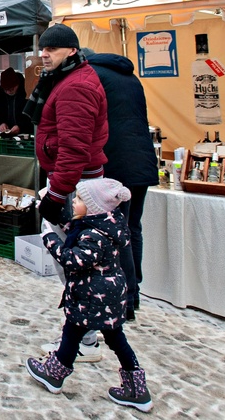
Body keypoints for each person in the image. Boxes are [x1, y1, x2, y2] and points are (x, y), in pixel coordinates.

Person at [26, 178, 153, 413]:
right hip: (108, 298)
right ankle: (137, 387)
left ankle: (54, 374)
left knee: (71, 333)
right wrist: (52, 213)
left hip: (92, 297)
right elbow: (75, 230)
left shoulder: (94, 235)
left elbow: (72, 259)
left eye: (81, 199)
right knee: (115, 339)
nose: (74, 201)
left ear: (94, 207)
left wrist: (49, 238)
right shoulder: (106, 225)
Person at [23, 23, 109, 362]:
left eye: (52, 49)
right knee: (73, 262)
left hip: (74, 184)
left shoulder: (76, 86)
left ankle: (85, 340)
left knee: (73, 263)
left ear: (71, 50)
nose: (43, 54)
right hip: (71, 180)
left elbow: (74, 148)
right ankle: (85, 336)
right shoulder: (67, 79)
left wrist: (57, 196)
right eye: (42, 48)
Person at [86, 52, 158, 316]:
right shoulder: (130, 77)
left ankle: (125, 298)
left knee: (119, 232)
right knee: (132, 227)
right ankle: (134, 289)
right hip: (142, 160)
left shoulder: (92, 75)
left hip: (117, 161)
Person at [0, 67, 33, 136]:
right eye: (6, 90)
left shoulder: (26, 91)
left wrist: (21, 126)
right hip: (6, 133)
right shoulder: (0, 94)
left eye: (11, 89)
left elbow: (32, 114)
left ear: (17, 84)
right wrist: (0, 123)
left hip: (26, 134)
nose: (8, 92)